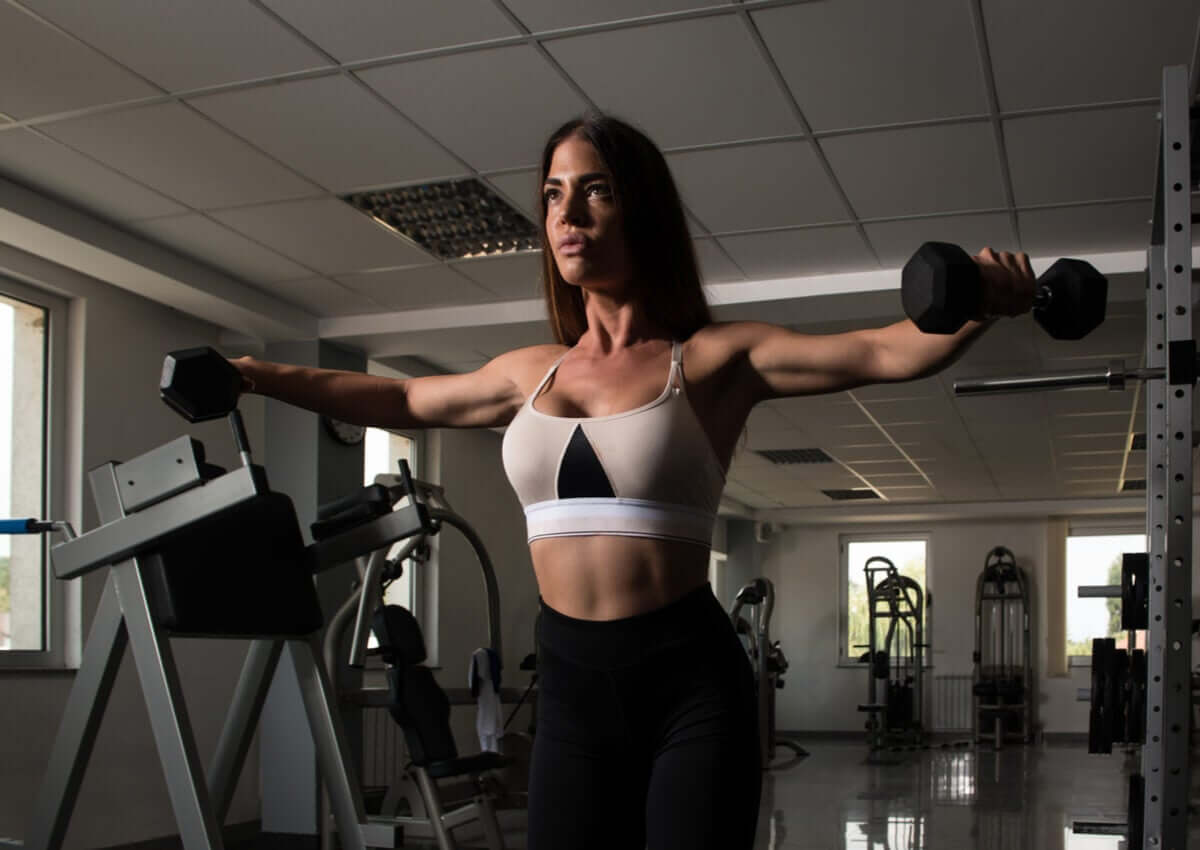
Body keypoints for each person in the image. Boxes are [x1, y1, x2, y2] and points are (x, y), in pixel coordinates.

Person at [231, 112, 1034, 849]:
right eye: (552, 196)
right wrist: (251, 373)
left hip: (689, 681)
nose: (566, 215)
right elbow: (402, 396)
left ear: (639, 210)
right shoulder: (528, 374)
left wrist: (985, 305)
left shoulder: (713, 359)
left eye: (594, 191)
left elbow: (882, 352)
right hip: (572, 682)